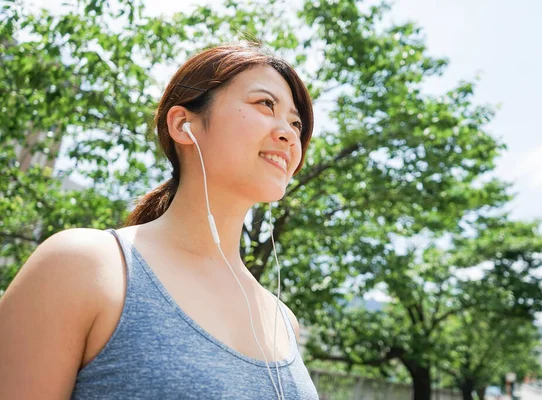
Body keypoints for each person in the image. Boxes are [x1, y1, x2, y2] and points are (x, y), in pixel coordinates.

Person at [0, 42, 318, 399]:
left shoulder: (282, 321)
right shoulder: (83, 266)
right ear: (185, 124)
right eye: (265, 104)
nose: (290, 134)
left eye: (296, 122)